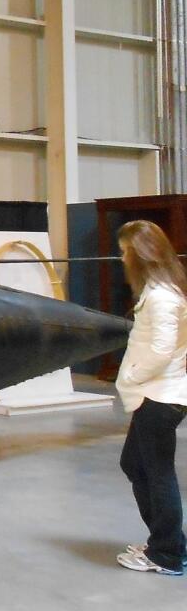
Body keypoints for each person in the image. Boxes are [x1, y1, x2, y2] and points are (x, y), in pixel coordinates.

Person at [114, 219, 187, 576]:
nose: (120, 256)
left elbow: (159, 351)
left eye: (125, 250)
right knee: (136, 465)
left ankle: (167, 554)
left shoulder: (161, 296)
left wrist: (130, 376)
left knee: (157, 474)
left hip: (158, 398)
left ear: (140, 254)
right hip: (157, 396)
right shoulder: (164, 289)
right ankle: (169, 541)